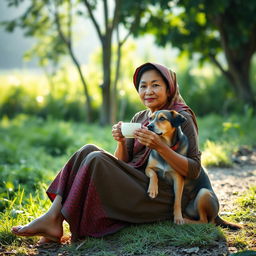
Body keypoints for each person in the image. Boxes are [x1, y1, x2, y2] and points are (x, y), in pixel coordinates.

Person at [11, 62, 240, 244]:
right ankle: (53, 217)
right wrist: (120, 142)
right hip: (139, 184)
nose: (148, 91)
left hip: (164, 195)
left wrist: (160, 146)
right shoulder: (140, 118)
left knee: (96, 158)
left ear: (169, 87)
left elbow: (193, 169)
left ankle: (55, 220)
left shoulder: (181, 118)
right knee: (88, 150)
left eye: (156, 85)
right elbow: (123, 164)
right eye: (143, 85)